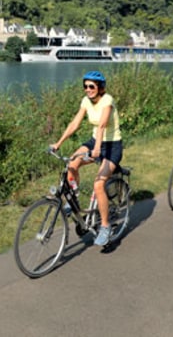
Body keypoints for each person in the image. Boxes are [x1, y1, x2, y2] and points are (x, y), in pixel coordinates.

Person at [50, 71, 122, 247]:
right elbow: (74, 123)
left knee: (98, 184)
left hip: (111, 145)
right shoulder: (85, 101)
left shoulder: (107, 100)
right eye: (85, 86)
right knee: (71, 165)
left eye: (91, 86)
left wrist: (97, 148)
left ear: (100, 88)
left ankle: (105, 226)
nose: (88, 89)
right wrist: (58, 143)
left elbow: (103, 124)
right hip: (94, 142)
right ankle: (74, 200)